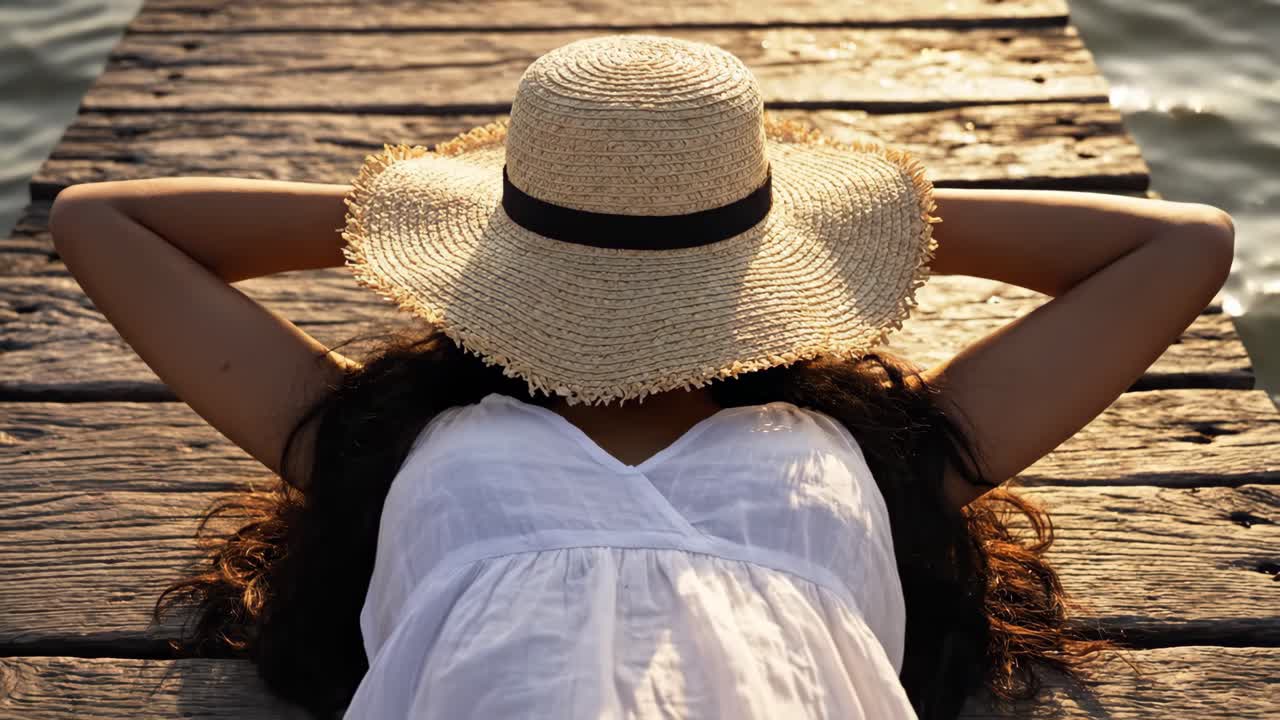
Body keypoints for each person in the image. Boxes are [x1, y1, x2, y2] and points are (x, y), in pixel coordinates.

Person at [48, 34, 1232, 720]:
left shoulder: (892, 454)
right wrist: (754, 224)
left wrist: (523, 224)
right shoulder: (378, 439)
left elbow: (1182, 247)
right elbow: (103, 223)